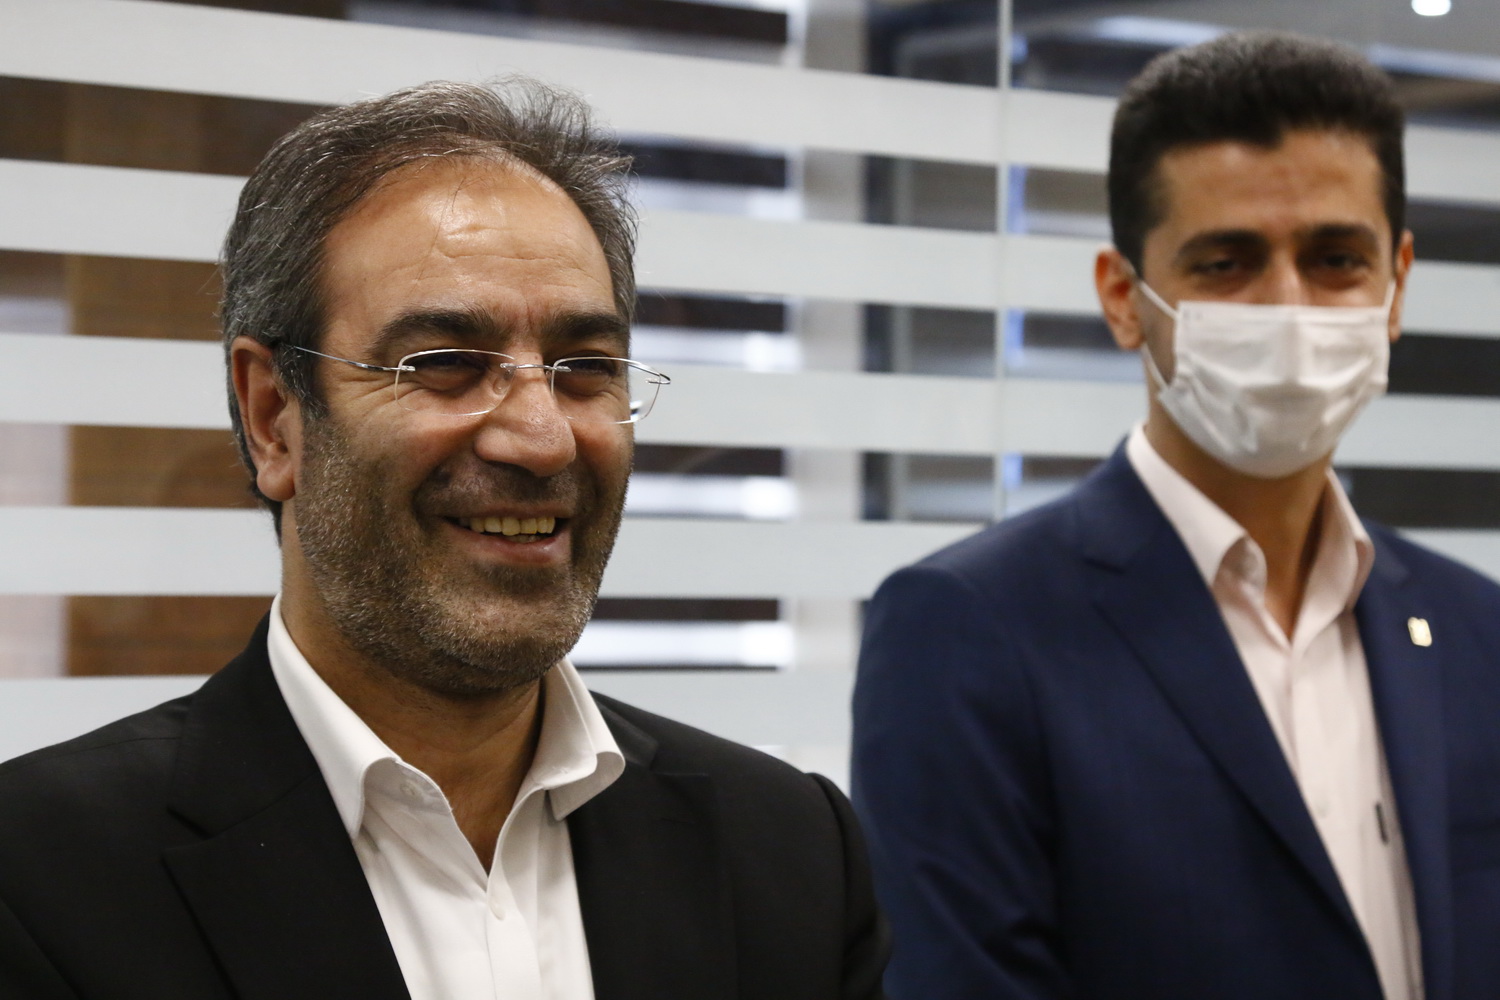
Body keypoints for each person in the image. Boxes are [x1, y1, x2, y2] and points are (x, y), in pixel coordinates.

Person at [0, 78, 888, 1000]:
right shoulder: (40, 883)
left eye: (586, 368)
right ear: (273, 419)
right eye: (446, 363)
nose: (542, 438)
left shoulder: (788, 854)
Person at [852, 31, 1500, 1000]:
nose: (1289, 309)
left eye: (1336, 258)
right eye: (1227, 262)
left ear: (1397, 284)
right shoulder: (969, 631)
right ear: (1125, 298)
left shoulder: (1475, 630)